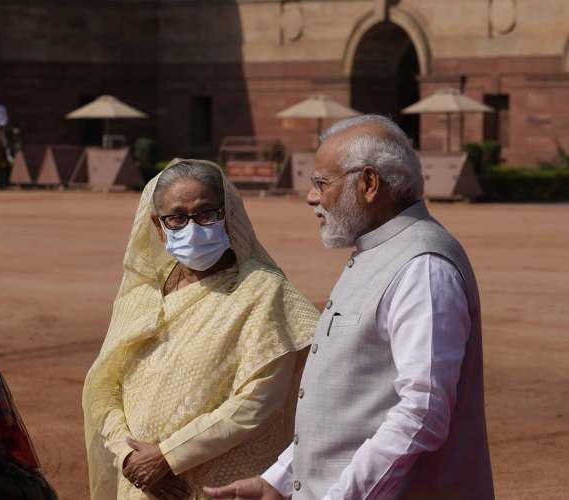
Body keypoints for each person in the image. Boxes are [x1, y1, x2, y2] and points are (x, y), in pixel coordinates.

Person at [205, 115, 494, 500]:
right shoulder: (380, 252)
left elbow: (422, 412)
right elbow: (348, 404)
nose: (312, 197)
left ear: (369, 183)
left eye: (321, 183)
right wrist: (279, 480)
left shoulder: (421, 266)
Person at [83, 159, 319, 499]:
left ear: (229, 215)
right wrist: (130, 456)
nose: (192, 227)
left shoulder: (264, 292)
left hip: (221, 484)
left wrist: (168, 456)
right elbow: (105, 388)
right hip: (140, 483)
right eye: (177, 217)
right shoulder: (141, 296)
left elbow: (258, 403)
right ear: (158, 226)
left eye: (206, 213)